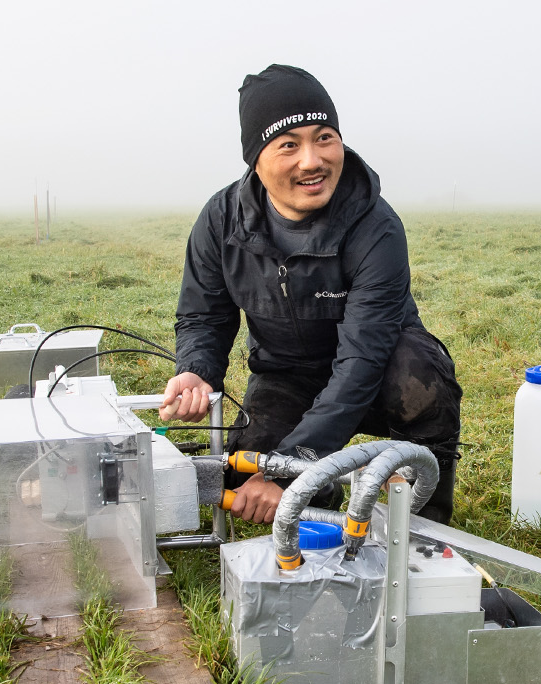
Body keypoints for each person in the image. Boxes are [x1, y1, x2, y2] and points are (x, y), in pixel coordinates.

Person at [160, 64, 461, 525]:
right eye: (288, 145)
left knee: (419, 376)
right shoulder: (221, 221)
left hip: (380, 372)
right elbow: (203, 316)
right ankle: (319, 505)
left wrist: (284, 470)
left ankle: (422, 524)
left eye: (324, 137)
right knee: (247, 479)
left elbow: (362, 362)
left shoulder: (376, 226)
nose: (312, 160)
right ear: (256, 160)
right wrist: (197, 371)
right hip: (286, 377)